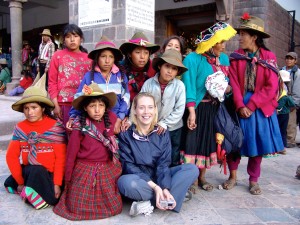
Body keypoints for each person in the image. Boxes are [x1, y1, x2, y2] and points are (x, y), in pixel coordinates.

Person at [225, 13, 284, 195]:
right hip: (238, 104)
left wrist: (250, 106)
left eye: (243, 34)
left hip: (258, 107)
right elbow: (233, 81)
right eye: (239, 34)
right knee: (234, 141)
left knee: (256, 144)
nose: (240, 38)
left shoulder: (268, 56)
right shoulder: (236, 57)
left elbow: (271, 86)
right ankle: (233, 176)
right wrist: (240, 105)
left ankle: (253, 179)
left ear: (254, 37)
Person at [117, 92, 199, 217]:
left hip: (159, 177)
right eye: (141, 107)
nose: (146, 112)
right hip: (141, 181)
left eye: (150, 107)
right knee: (126, 183)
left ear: (155, 110)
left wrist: (164, 187)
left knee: (191, 169)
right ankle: (171, 197)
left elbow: (163, 164)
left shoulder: (162, 133)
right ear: (134, 111)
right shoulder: (126, 134)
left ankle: (151, 202)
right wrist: (155, 187)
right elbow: (128, 166)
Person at [180, 22, 236, 192]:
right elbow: (188, 85)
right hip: (196, 108)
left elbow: (228, 84)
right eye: (220, 42)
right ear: (210, 42)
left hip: (214, 109)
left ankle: (202, 177)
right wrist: (191, 111)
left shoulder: (224, 60)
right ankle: (191, 179)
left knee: (207, 143)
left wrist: (227, 89)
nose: (223, 46)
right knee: (192, 143)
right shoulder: (193, 59)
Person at [53, 83, 122, 220]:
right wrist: (67, 179)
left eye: (101, 106)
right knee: (76, 206)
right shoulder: (79, 126)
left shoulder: (111, 120)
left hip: (106, 167)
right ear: (85, 108)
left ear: (105, 107)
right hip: (84, 169)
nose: (97, 110)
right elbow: (71, 154)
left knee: (114, 206)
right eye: (92, 106)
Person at [4, 86, 67, 209]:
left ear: (43, 108)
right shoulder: (20, 128)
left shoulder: (55, 128)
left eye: (34, 108)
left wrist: (57, 183)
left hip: (51, 174)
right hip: (31, 171)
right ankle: (27, 189)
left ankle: (31, 192)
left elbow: (61, 158)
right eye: (26, 108)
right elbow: (11, 156)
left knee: (54, 194)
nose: (30, 112)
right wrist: (20, 182)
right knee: (33, 171)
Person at [67, 36, 129, 134]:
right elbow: (80, 97)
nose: (107, 61)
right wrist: (73, 116)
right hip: (95, 122)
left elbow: (126, 98)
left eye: (111, 57)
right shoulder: (89, 77)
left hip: (116, 121)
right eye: (103, 56)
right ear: (97, 58)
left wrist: (119, 118)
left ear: (114, 59)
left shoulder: (120, 76)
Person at [141, 49, 187, 166]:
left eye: (174, 68)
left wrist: (165, 123)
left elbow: (179, 109)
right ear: (160, 66)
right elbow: (140, 104)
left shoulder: (179, 86)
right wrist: (147, 122)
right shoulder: (149, 84)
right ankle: (155, 181)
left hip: (173, 128)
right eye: (167, 66)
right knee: (153, 155)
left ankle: (172, 181)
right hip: (152, 127)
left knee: (172, 155)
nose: (170, 71)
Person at [48, 24, 91, 126]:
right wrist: (55, 105)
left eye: (75, 36)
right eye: (68, 37)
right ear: (64, 40)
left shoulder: (89, 59)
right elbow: (52, 82)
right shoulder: (57, 56)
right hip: (63, 104)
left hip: (83, 104)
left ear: (81, 39)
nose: (72, 40)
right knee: (64, 136)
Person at [119, 32, 160, 102]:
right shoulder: (120, 69)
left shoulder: (154, 70)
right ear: (129, 54)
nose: (142, 57)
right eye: (138, 52)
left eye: (146, 53)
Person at [281, 52, 300, 148]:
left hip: (291, 99)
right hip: (281, 98)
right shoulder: (282, 70)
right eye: (287, 58)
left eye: (291, 59)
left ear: (295, 61)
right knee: (283, 120)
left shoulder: (297, 72)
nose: (289, 60)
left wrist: (294, 103)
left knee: (291, 121)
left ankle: (290, 140)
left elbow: (297, 89)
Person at [277, 70, 295, 154]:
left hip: (279, 113)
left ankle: (279, 147)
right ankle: (283, 146)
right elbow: (291, 102)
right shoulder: (286, 88)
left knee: (278, 130)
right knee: (283, 131)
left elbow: (279, 104)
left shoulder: (280, 87)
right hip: (286, 113)